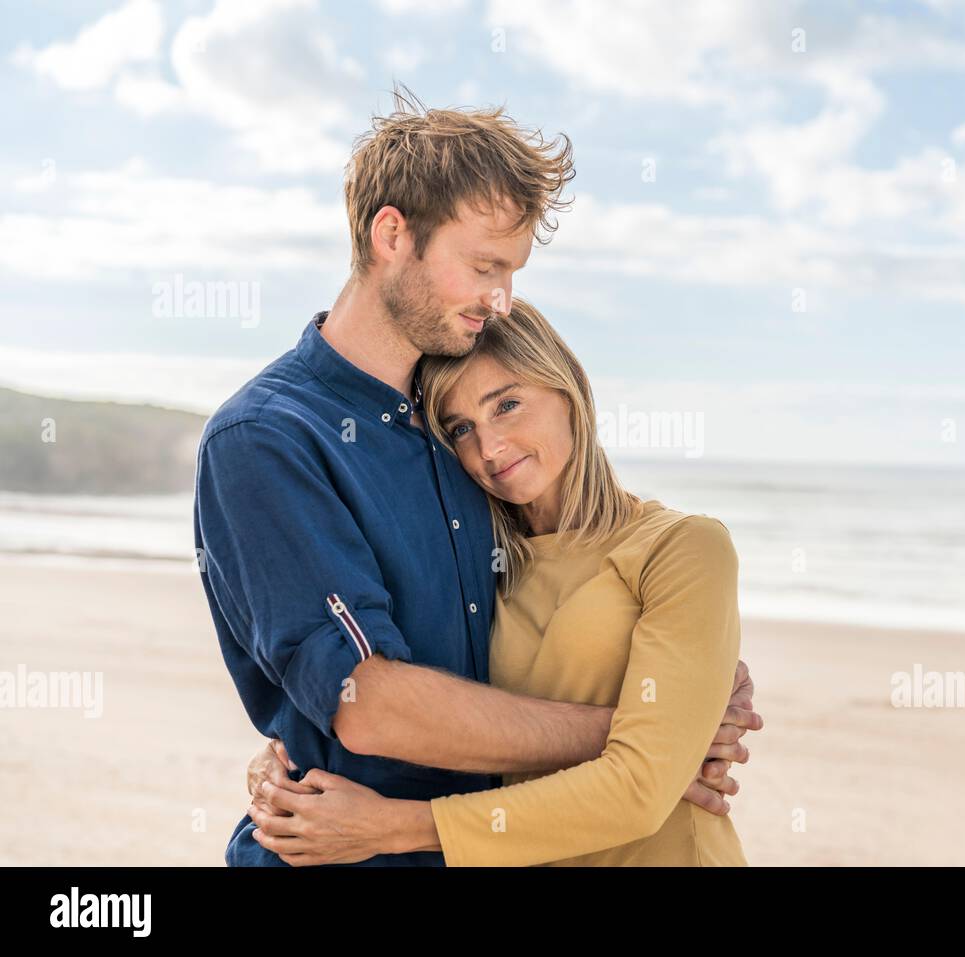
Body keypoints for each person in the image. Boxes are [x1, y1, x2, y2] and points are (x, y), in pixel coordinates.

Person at [194, 92, 761, 867]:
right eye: (484, 265)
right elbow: (368, 704)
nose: (500, 298)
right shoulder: (268, 438)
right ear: (392, 234)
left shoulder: (453, 430)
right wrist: (649, 730)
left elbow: (572, 598)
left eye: (513, 272)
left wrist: (686, 692)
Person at [247, 299, 754, 865]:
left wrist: (395, 827)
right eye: (461, 429)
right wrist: (292, 747)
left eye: (508, 405)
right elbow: (421, 701)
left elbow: (639, 790)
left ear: (568, 389)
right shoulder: (478, 561)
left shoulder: (683, 547)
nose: (489, 449)